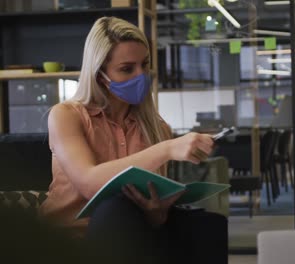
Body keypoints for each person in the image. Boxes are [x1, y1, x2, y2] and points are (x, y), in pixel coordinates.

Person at [38, 16, 217, 263]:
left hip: (130, 235)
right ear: (100, 74)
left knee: (207, 227)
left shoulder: (157, 128)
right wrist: (166, 150)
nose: (140, 75)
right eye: (127, 68)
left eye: (144, 65)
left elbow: (152, 212)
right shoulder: (66, 115)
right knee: (115, 210)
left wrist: (157, 214)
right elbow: (90, 183)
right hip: (66, 241)